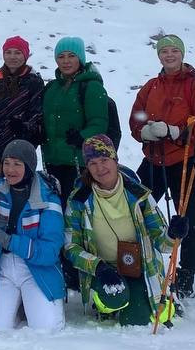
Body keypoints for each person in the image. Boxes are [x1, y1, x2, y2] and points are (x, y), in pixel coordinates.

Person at [128, 34, 195, 298]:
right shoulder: (151, 86)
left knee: (187, 218)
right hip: (155, 158)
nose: (169, 55)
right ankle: (136, 262)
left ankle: (186, 274)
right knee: (136, 209)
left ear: (182, 54)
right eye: (164, 51)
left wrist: (176, 131)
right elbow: (136, 116)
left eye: (173, 51)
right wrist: (144, 132)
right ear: (158, 56)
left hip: (186, 160)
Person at [63, 135, 180, 327]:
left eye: (104, 160)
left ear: (115, 160)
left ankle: (150, 298)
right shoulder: (78, 201)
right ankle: (107, 305)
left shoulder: (139, 196)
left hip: (140, 268)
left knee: (135, 320)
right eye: (92, 163)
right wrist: (98, 267)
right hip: (103, 271)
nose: (100, 168)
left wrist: (173, 234)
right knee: (114, 298)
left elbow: (162, 242)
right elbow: (70, 246)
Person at [0, 140, 66, 332]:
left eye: (17, 164)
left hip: (36, 270)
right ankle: (19, 303)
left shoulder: (47, 197)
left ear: (29, 167)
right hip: (2, 267)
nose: (10, 170)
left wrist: (10, 241)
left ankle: (29, 301)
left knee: (47, 328)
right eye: (7, 163)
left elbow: (50, 251)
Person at [40, 36, 110, 202]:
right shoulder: (51, 87)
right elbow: (45, 117)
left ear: (81, 58)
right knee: (55, 210)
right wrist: (39, 131)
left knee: (76, 210)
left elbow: (99, 122)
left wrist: (82, 137)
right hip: (52, 159)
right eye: (61, 56)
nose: (66, 61)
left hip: (80, 161)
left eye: (71, 56)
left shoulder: (92, 87)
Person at [0, 35, 45, 174]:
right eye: (8, 52)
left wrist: (24, 127)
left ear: (25, 56)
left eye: (18, 52)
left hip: (19, 148)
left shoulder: (34, 82)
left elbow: (37, 115)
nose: (12, 57)